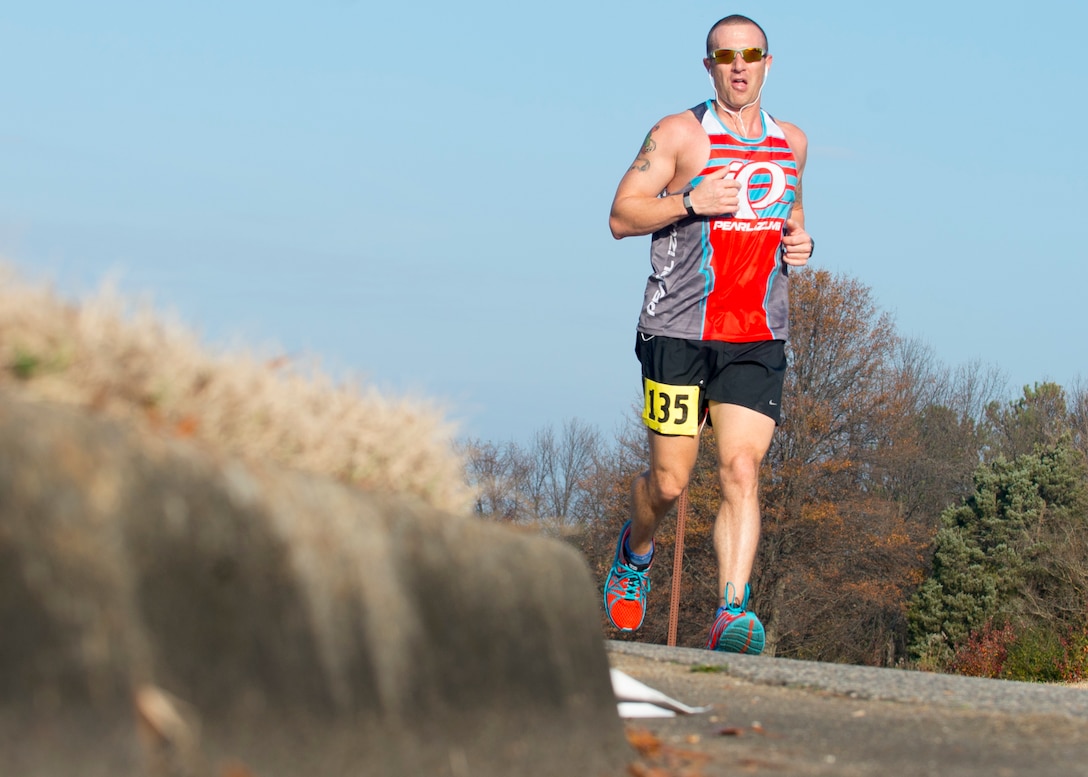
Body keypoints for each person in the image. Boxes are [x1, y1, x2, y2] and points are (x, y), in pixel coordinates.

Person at [603, 13, 813, 654]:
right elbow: (619, 216)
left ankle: (730, 612)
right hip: (678, 331)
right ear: (710, 67)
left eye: (750, 55)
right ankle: (634, 552)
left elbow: (792, 208)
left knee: (741, 469)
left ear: (768, 63)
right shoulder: (677, 135)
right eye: (726, 57)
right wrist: (690, 202)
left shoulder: (792, 142)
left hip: (756, 334)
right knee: (668, 485)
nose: (739, 66)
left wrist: (800, 238)